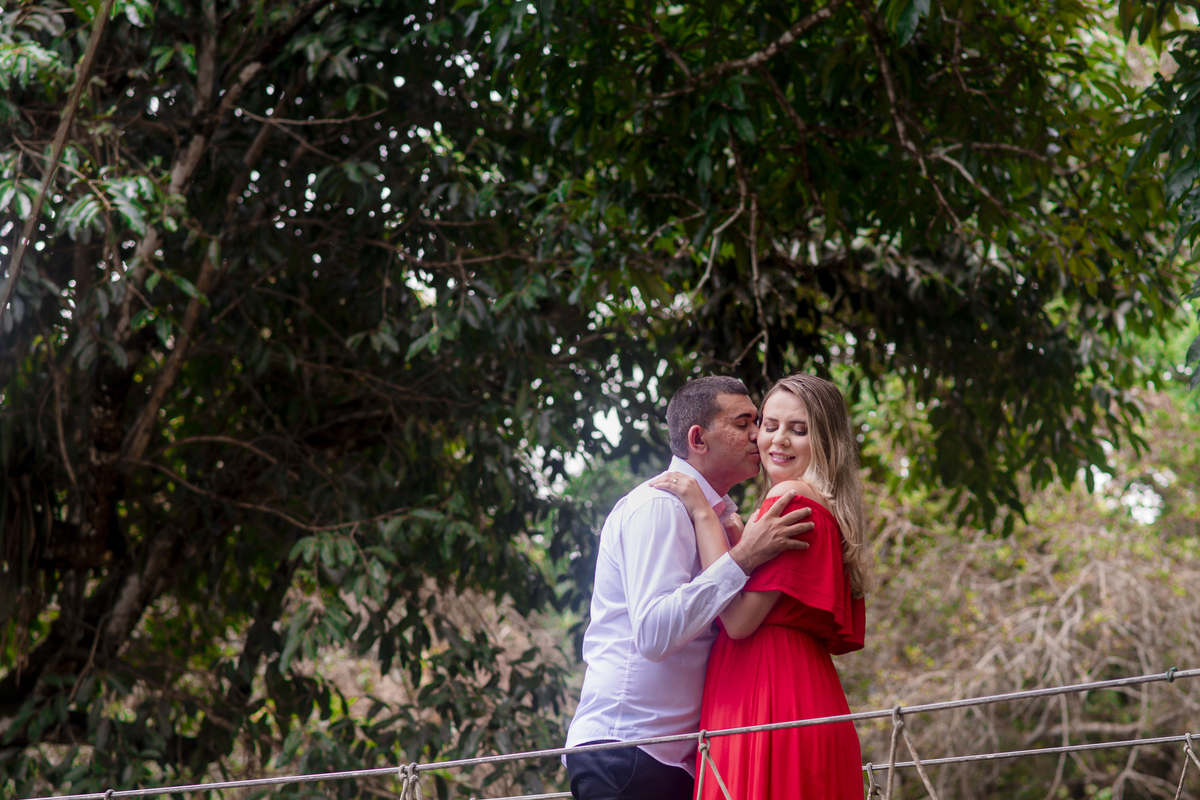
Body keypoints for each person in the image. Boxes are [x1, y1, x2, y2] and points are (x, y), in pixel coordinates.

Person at [564, 375, 816, 800]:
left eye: (756, 422)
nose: (758, 435)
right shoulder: (660, 506)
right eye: (743, 423)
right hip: (629, 750)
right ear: (698, 439)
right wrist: (743, 558)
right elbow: (654, 634)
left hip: (678, 758)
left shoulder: (719, 518)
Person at [650, 373, 875, 799]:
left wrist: (703, 513)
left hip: (768, 690)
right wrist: (738, 534)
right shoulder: (814, 504)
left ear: (825, 441)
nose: (777, 440)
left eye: (799, 429)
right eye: (769, 426)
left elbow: (737, 621)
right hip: (799, 686)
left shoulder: (791, 498)